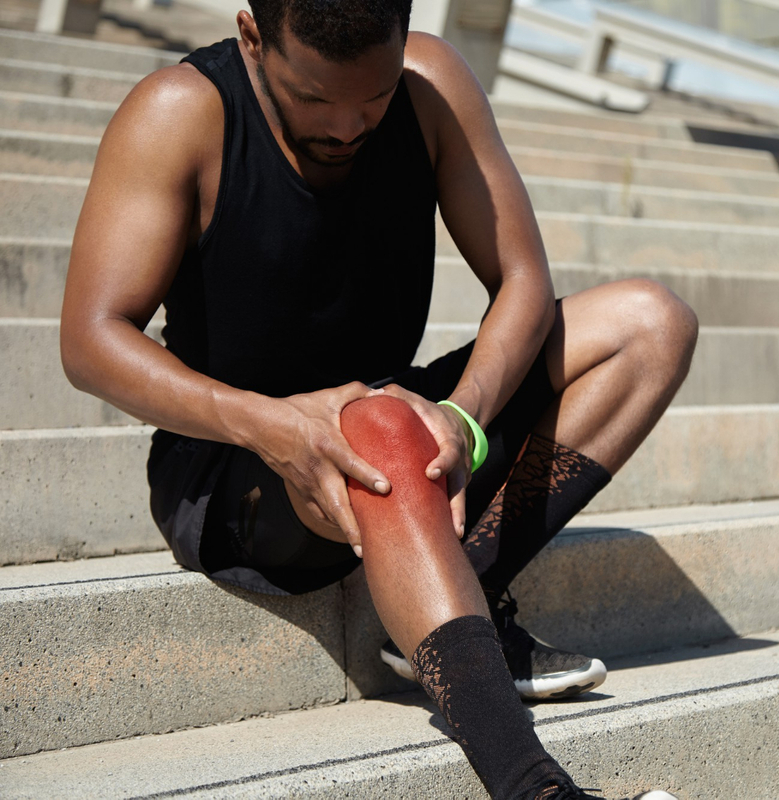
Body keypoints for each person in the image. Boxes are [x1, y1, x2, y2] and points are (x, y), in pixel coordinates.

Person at [59, 0, 696, 797]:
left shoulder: (432, 85)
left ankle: (446, 595)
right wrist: (272, 423)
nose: (351, 125)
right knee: (382, 421)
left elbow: (524, 280)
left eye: (376, 95)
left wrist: (464, 414)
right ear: (254, 36)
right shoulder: (181, 113)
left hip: (396, 416)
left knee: (651, 324)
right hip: (239, 464)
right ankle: (532, 785)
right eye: (315, 98)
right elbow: (90, 339)